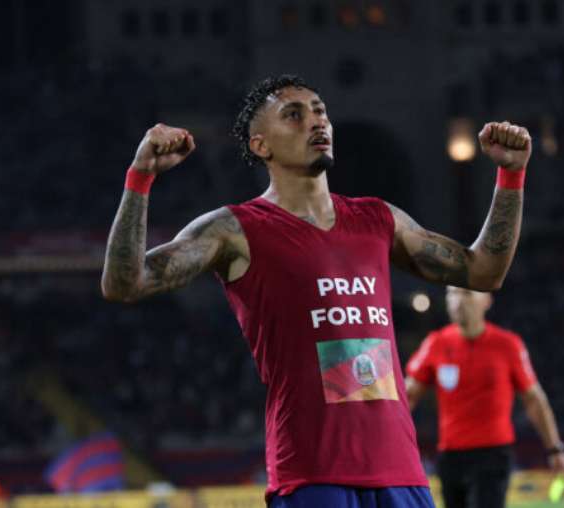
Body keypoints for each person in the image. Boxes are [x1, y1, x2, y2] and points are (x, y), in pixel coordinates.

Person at [101, 74, 532, 508]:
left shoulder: (378, 219)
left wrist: (510, 177)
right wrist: (140, 180)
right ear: (260, 145)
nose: (316, 122)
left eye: (320, 111)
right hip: (312, 477)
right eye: (294, 115)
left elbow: (483, 272)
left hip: (402, 472)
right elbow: (126, 282)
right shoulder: (235, 229)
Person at [405, 286, 564, 508]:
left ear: (486, 300)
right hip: (450, 456)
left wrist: (555, 450)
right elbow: (407, 398)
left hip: (492, 455)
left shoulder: (508, 345)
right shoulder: (436, 343)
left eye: (466, 293)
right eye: (451, 293)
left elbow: (534, 400)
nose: (457, 301)